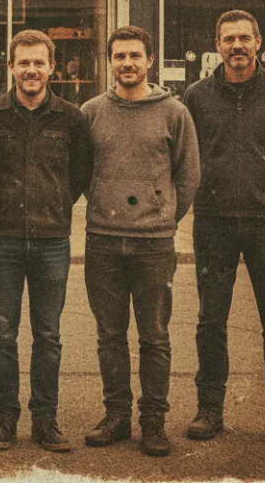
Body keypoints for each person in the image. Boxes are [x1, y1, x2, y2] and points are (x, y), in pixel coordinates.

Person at [182, 10, 265, 450]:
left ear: (258, 42)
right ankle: (209, 410)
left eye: (244, 38)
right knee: (210, 321)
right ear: (216, 45)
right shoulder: (197, 96)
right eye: (228, 39)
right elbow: (188, 157)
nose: (236, 46)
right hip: (213, 222)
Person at [80, 25, 200, 457]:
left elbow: (188, 176)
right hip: (103, 241)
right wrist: (103, 207)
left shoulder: (174, 113)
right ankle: (116, 416)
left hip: (154, 244)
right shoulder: (92, 111)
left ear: (150, 60)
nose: (127, 63)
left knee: (154, 337)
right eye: (119, 56)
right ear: (109, 61)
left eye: (135, 55)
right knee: (109, 335)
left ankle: (153, 421)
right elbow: (81, 171)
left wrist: (162, 216)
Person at [0, 29, 91, 453]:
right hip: (2, 238)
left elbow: (80, 173)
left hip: (51, 241)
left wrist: (57, 203)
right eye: (23, 62)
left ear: (51, 67)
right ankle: (5, 417)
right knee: (2, 334)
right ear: (10, 66)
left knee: (48, 335)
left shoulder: (71, 118)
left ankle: (45, 418)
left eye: (38, 62)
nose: (31, 70)